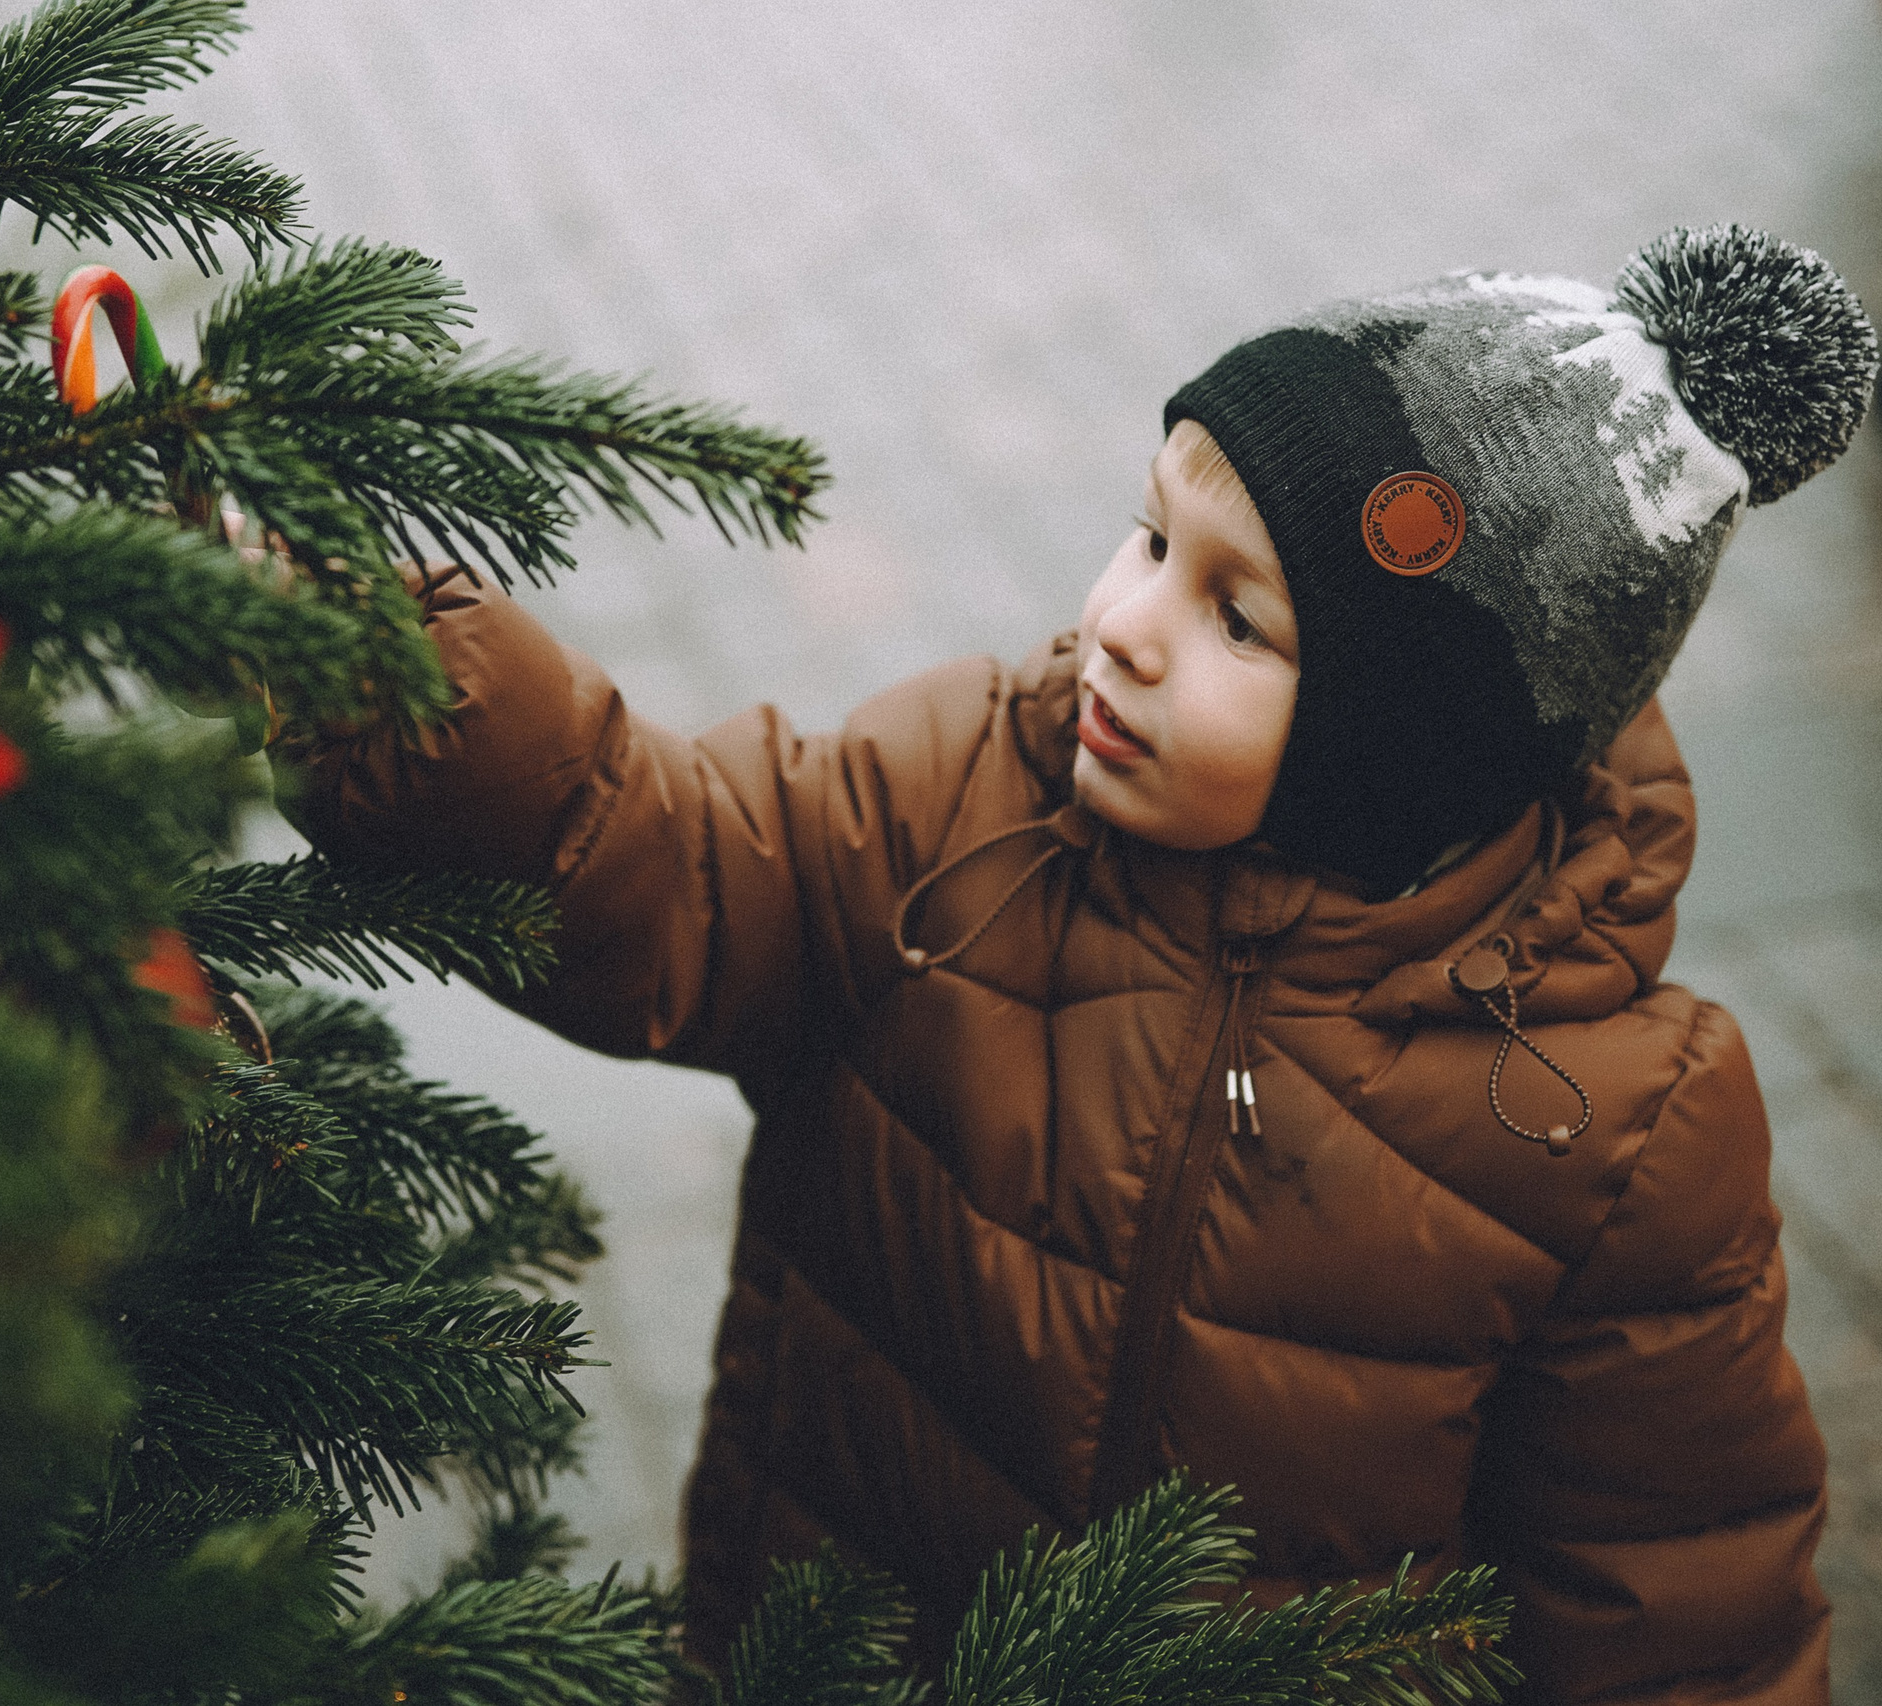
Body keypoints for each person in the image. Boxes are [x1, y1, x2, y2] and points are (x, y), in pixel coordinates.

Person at [289, 225, 1875, 1702]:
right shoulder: (966, 798)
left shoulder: (1612, 1128)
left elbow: (1677, 1605)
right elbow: (664, 856)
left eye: (1237, 618)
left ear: (1404, 748)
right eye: (1149, 535)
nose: (1122, 623)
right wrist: (381, 676)